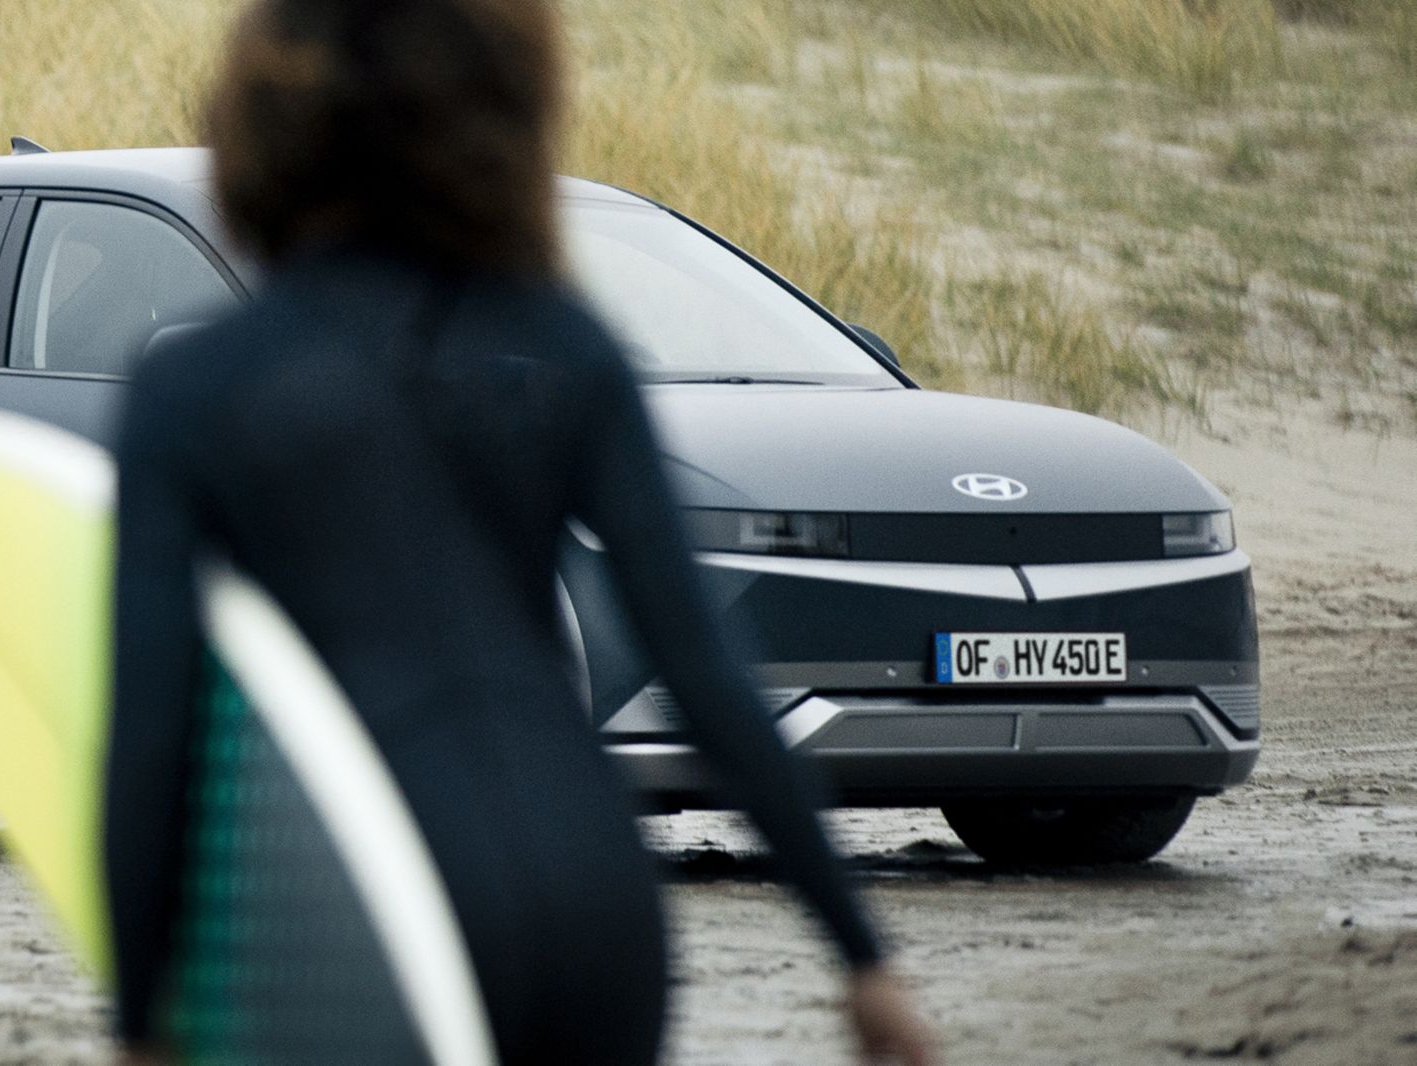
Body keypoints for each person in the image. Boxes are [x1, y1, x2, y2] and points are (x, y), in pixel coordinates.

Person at [97, 0, 943, 1063]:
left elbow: (150, 734)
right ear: (501, 123)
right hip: (596, 893)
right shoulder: (564, 347)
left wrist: (138, 1015)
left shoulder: (196, 384)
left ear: (261, 129)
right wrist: (860, 955)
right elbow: (707, 670)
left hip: (377, 906)